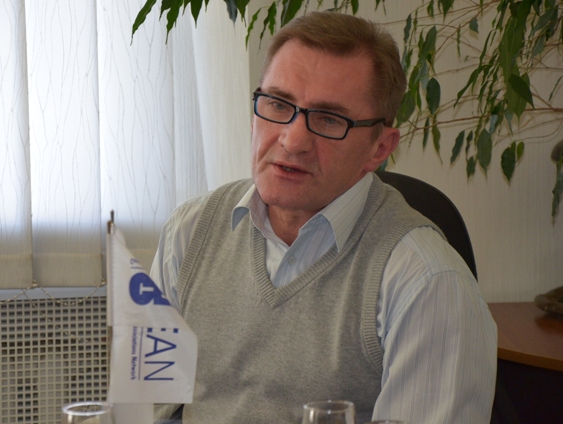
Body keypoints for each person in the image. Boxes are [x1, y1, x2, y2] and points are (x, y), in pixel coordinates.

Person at [150, 11, 497, 424]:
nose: (293, 140)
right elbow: (146, 407)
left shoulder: (428, 284)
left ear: (380, 148)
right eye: (278, 104)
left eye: (329, 119)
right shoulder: (189, 234)